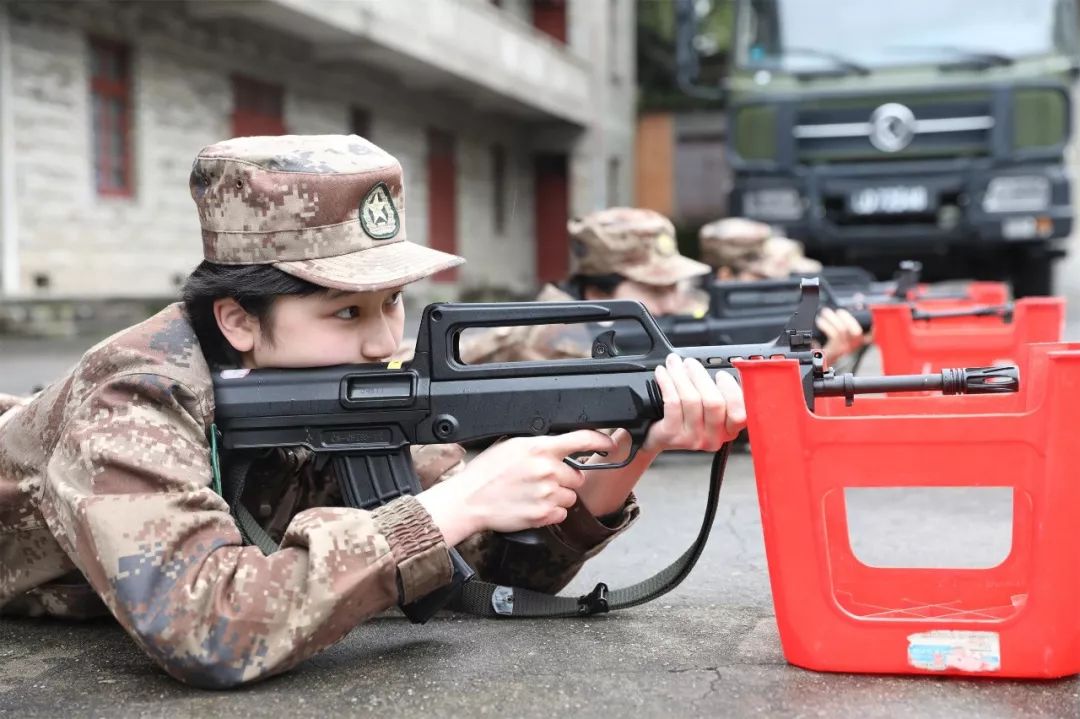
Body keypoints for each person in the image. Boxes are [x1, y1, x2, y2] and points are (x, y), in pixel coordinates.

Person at [0, 135, 746, 688]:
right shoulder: (133, 393)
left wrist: (627, 452)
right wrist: (456, 500)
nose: (386, 339)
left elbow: (476, 568)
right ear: (236, 320)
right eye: (346, 310)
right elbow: (208, 626)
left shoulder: (319, 390)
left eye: (392, 301)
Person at [461, 207, 713, 363]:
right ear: (599, 290)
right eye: (655, 289)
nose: (671, 304)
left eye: (674, 286)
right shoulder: (552, 339)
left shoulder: (632, 326)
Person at [698, 217, 868, 366]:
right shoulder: (699, 331)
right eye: (762, 278)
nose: (776, 287)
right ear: (726, 276)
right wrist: (820, 364)